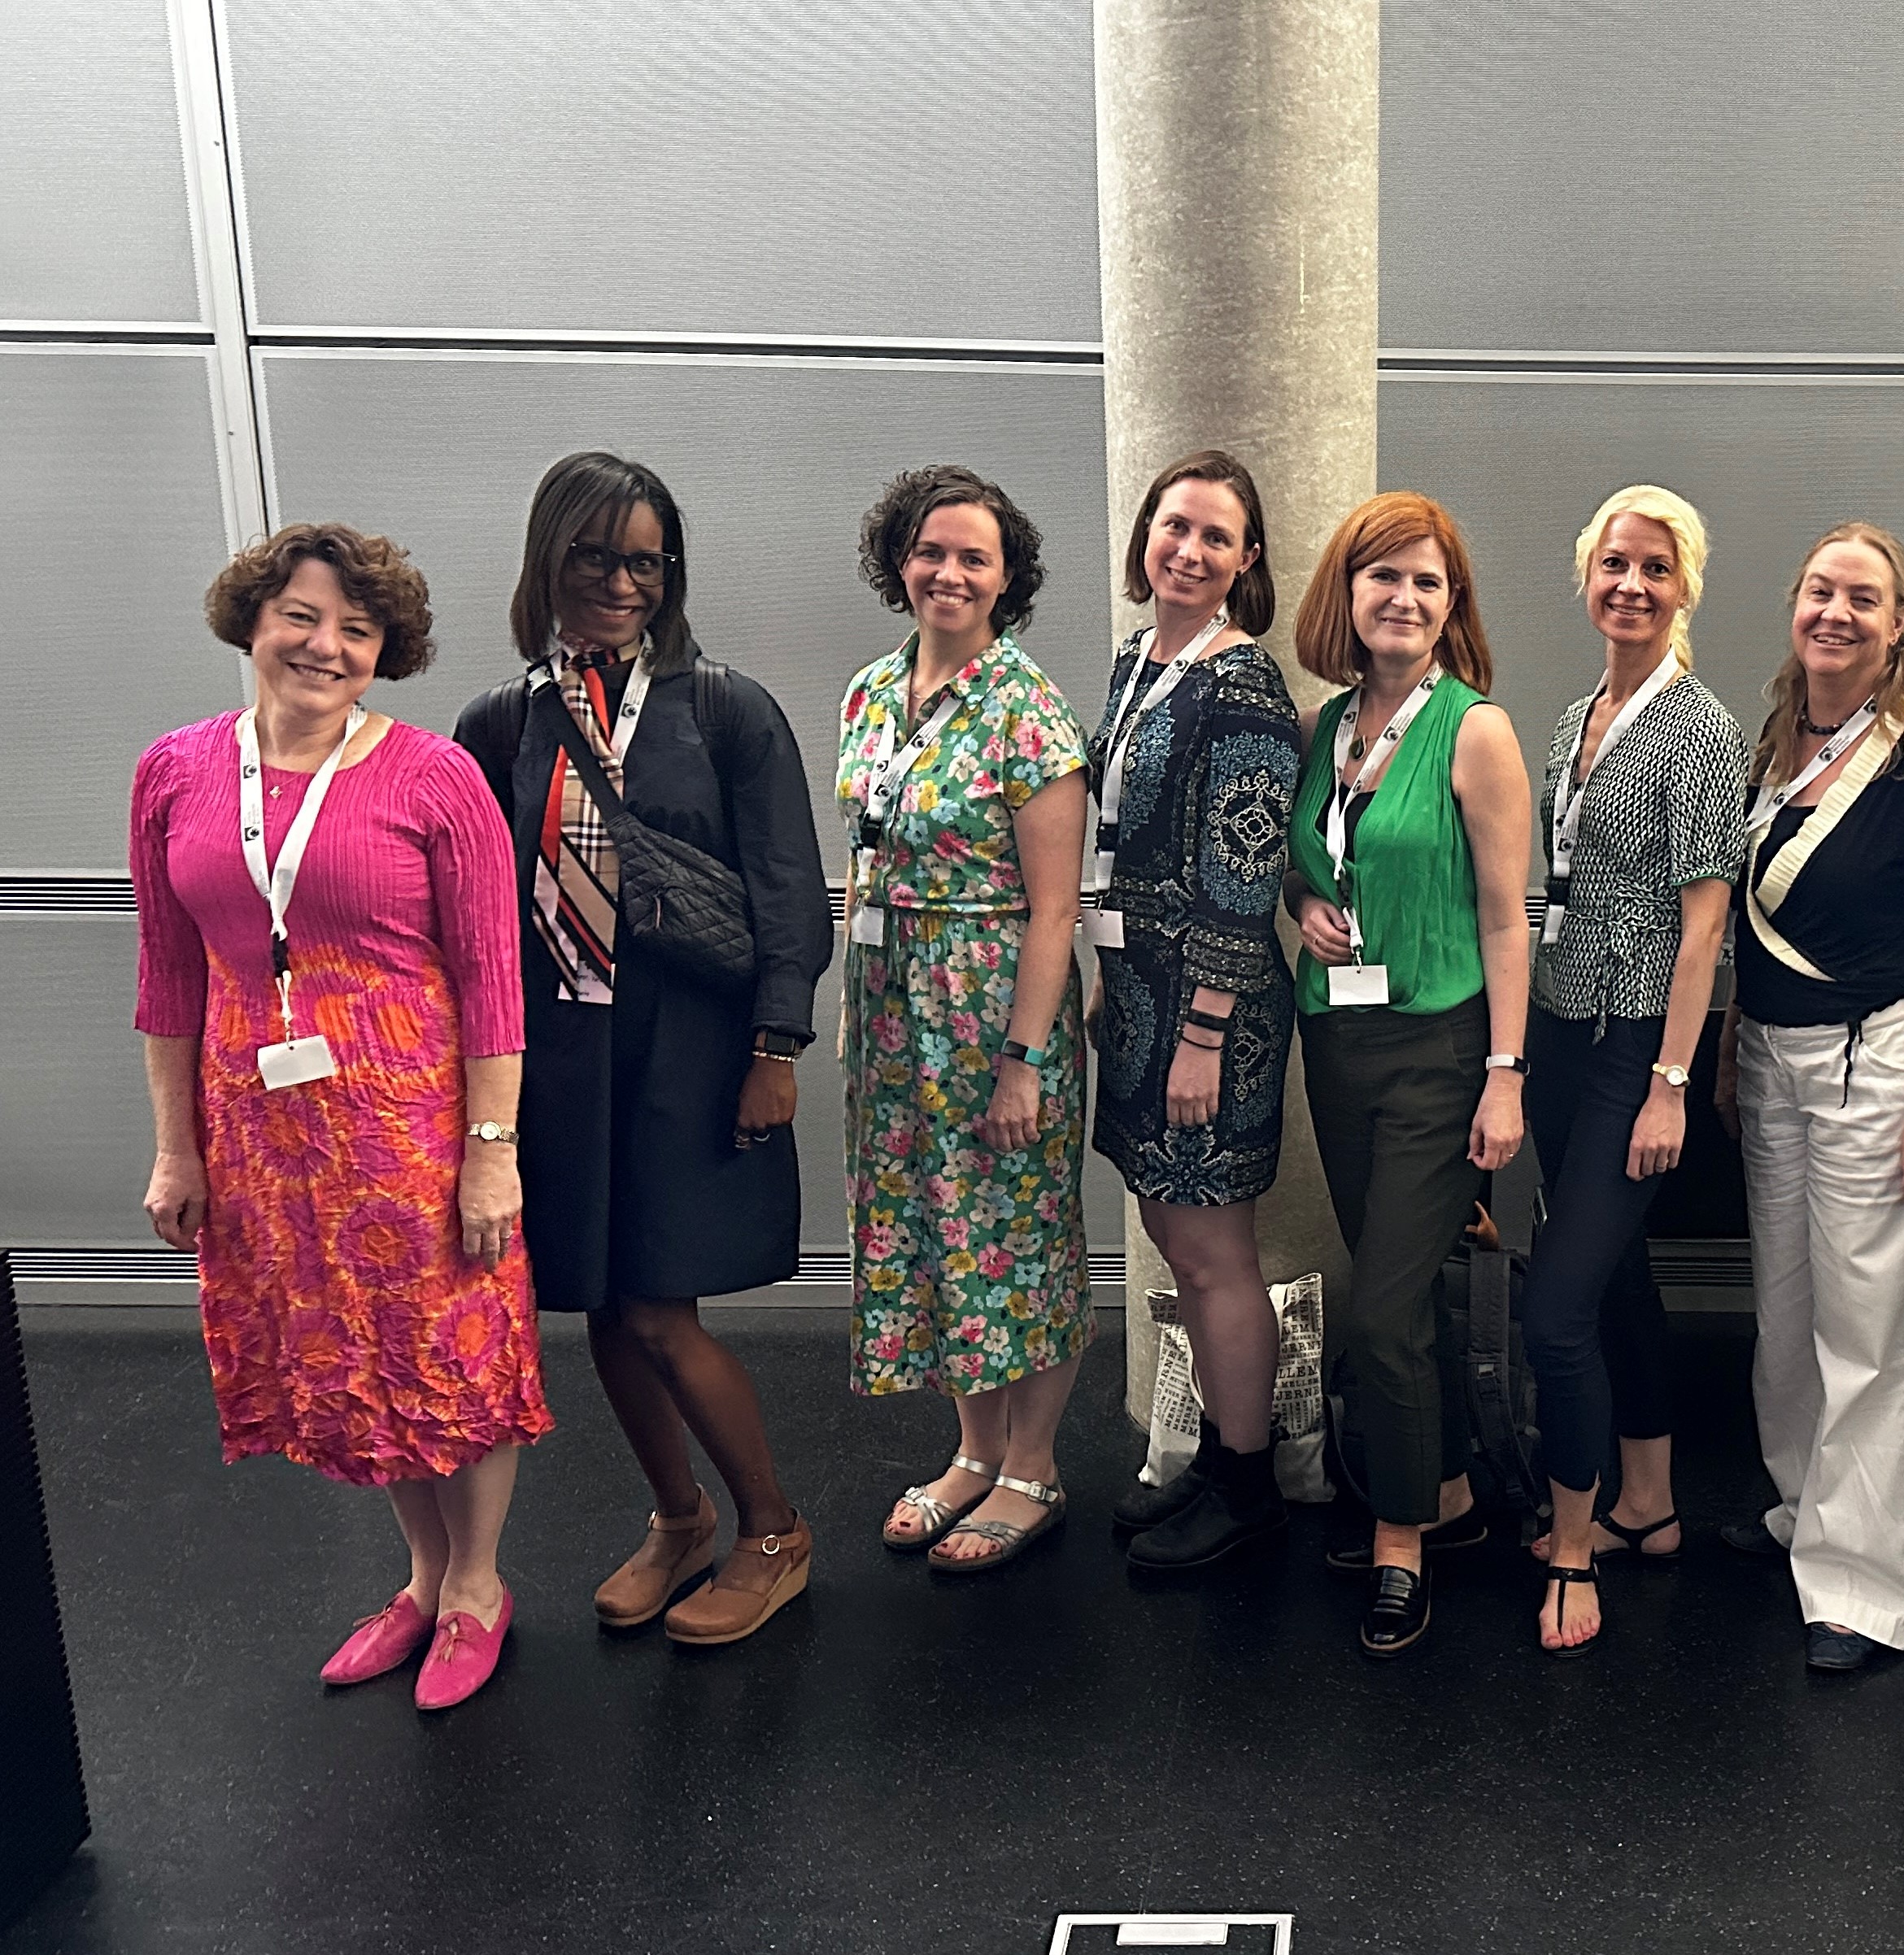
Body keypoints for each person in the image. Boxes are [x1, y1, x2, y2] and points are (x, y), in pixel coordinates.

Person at [133, 523, 550, 1710]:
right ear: (253, 622)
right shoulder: (175, 770)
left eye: (355, 630)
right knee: (345, 1362)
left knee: (450, 1357)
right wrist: (176, 1147)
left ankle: (477, 1585)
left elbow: (493, 980)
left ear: (385, 651)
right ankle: (420, 1579)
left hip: (412, 1126)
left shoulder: (432, 776)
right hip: (260, 1132)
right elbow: (169, 978)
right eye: (302, 618)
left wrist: (491, 1152)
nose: (324, 646)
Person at [455, 453, 833, 1648]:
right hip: (562, 1052)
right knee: (604, 1310)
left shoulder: (723, 707)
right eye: (595, 556)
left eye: (645, 561)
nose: (621, 581)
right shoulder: (498, 721)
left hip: (693, 1048)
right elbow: (473, 911)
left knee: (665, 1309)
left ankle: (771, 1530)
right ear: (546, 561)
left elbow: (785, 888)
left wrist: (776, 1047)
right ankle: (676, 1521)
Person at [1711, 525, 1904, 1674]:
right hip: (1774, 1059)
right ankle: (1803, 1515)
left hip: (1882, 1061)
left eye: (1861, 597)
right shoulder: (1775, 738)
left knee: (1874, 1332)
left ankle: (1867, 1589)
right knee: (1786, 1319)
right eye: (1820, 588)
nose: (1836, 611)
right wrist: (1733, 1044)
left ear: (1896, 621)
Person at [1282, 491, 1536, 1657]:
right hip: (1336, 1042)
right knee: (1395, 1290)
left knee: (1382, 1312)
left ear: (1452, 608)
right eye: (1384, 576)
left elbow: (1504, 920)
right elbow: (1308, 864)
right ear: (1347, 592)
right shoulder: (1324, 724)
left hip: (1440, 1048)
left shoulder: (1473, 729)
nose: (1404, 598)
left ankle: (1398, 1543)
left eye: (1428, 582)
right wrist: (1303, 907)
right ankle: (1441, 1494)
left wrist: (1503, 1075)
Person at [840, 465, 1090, 1574]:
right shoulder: (867, 692)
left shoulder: (1026, 707)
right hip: (895, 1008)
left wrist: (1024, 1062)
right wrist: (857, 1008)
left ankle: (1032, 1466)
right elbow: (865, 854)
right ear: (900, 561)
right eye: (930, 550)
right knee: (940, 1239)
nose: (948, 571)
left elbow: (1053, 908)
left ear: (1006, 579)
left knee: (1015, 1240)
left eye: (973, 557)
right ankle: (971, 1450)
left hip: (993, 1010)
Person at [1520, 485, 1747, 1657]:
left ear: (1685, 587)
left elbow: (1705, 927)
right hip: (1558, 1027)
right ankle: (1648, 1503)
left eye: (1655, 569)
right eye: (1613, 563)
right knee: (1612, 1282)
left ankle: (1573, 1547)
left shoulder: (1697, 728)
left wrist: (1670, 1079)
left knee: (1553, 1310)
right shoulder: (1574, 718)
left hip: (1628, 1043)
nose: (1630, 585)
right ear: (1585, 573)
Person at [1086, 449, 1304, 1573]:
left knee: (1217, 1251)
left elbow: (1245, 866)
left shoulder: (1244, 687)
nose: (1190, 550)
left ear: (1245, 562)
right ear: (1146, 537)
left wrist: (1204, 1032)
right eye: (1176, 527)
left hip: (1208, 1006)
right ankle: (1221, 1458)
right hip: (1135, 991)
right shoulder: (1139, 661)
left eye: (1217, 537)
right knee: (1175, 1236)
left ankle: (1247, 1486)